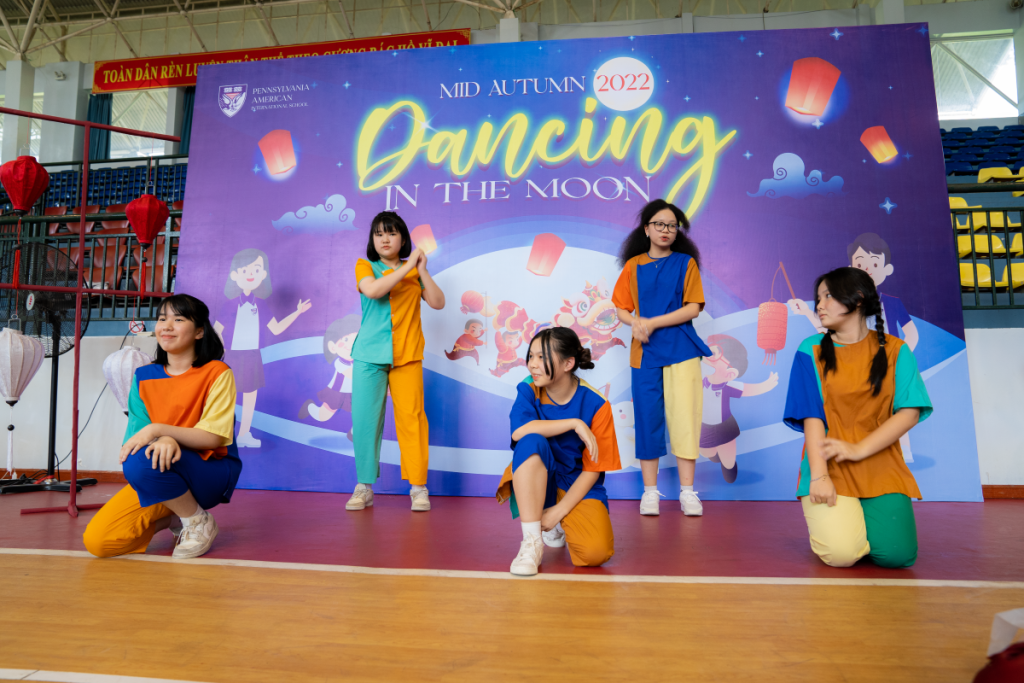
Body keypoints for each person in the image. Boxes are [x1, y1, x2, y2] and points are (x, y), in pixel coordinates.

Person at [783, 267, 932, 569]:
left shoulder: (897, 350)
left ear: (859, 299)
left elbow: (910, 412)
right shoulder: (809, 349)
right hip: (829, 465)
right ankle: (845, 529)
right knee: (842, 555)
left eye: (828, 296)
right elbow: (813, 417)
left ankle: (860, 527)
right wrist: (819, 476)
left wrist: (859, 449)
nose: (819, 305)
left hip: (881, 464)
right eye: (818, 298)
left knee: (897, 556)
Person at [83, 294, 242, 560]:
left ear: (199, 331)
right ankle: (176, 518)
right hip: (160, 468)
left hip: (208, 472)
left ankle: (197, 521)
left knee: (141, 460)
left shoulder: (217, 372)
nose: (166, 326)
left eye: (178, 319)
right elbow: (136, 439)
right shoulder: (143, 376)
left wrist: (162, 432)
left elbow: (213, 437)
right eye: (161, 319)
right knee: (99, 542)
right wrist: (161, 438)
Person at [611, 199, 712, 517]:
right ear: (646, 229)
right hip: (644, 353)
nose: (666, 230)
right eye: (659, 224)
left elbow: (692, 308)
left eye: (672, 225)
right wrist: (634, 323)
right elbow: (621, 308)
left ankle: (687, 492)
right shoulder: (633, 265)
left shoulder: (685, 263)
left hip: (682, 349)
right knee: (647, 420)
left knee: (685, 419)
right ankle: (650, 492)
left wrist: (651, 322)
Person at [496, 327, 621, 576]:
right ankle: (532, 542)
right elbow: (519, 431)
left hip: (575, 480)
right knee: (531, 441)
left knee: (595, 553)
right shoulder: (529, 387)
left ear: (568, 363)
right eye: (531, 356)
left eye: (542, 357)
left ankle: (557, 521)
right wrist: (574, 423)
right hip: (540, 473)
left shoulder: (598, 404)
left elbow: (594, 469)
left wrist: (558, 512)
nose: (533, 364)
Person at [348, 211, 445, 512]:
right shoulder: (365, 266)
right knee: (365, 421)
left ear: (403, 239)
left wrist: (421, 269)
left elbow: (438, 302)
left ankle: (418, 488)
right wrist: (408, 268)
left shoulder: (414, 270)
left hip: (408, 355)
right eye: (378, 234)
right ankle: (364, 487)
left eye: (391, 233)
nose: (385, 239)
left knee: (413, 420)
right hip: (369, 356)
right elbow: (374, 290)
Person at [213, 248, 312, 448]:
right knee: (227, 396)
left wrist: (297, 312)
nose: (250, 274)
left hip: (252, 355)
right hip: (231, 356)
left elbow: (276, 329)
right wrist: (221, 353)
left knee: (250, 397)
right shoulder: (229, 305)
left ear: (263, 275)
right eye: (245, 270)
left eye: (256, 270)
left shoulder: (261, 305)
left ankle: (244, 434)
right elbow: (216, 331)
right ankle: (222, 434)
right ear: (235, 275)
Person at [699, 334, 778, 483]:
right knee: (705, 452)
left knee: (728, 460)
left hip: (725, 427)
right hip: (703, 426)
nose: (707, 357)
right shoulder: (700, 380)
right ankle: (715, 455)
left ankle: (729, 467)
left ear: (730, 373)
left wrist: (767, 385)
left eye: (714, 354)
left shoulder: (729, 386)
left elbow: (750, 389)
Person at [299, 315, 360, 434]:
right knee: (323, 416)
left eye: (355, 339)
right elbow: (352, 375)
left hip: (354, 392)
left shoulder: (359, 362)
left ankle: (354, 433)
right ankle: (310, 407)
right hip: (336, 392)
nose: (350, 344)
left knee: (361, 412)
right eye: (346, 340)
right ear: (333, 347)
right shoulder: (340, 363)